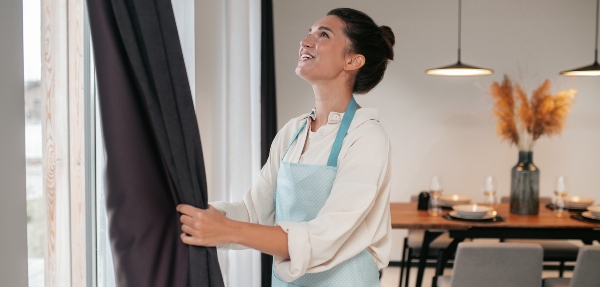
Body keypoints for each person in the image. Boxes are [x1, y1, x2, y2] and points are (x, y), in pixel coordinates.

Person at [177, 8, 394, 286]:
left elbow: (325, 236)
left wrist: (227, 230)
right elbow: (255, 213)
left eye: (323, 35)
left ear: (353, 60)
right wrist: (201, 216)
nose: (305, 41)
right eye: (309, 32)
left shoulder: (367, 137)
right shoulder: (293, 132)